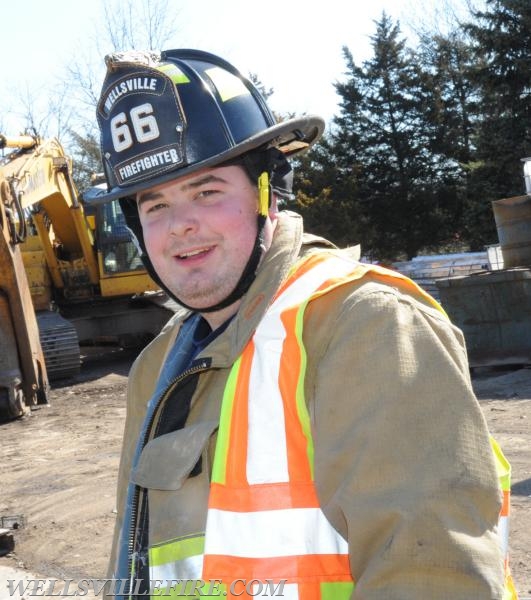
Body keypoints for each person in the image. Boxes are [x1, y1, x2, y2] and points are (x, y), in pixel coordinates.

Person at [88, 49, 516, 599]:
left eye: (207, 192)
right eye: (154, 205)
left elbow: (433, 574)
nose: (180, 227)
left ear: (268, 193)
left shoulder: (365, 325)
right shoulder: (158, 366)